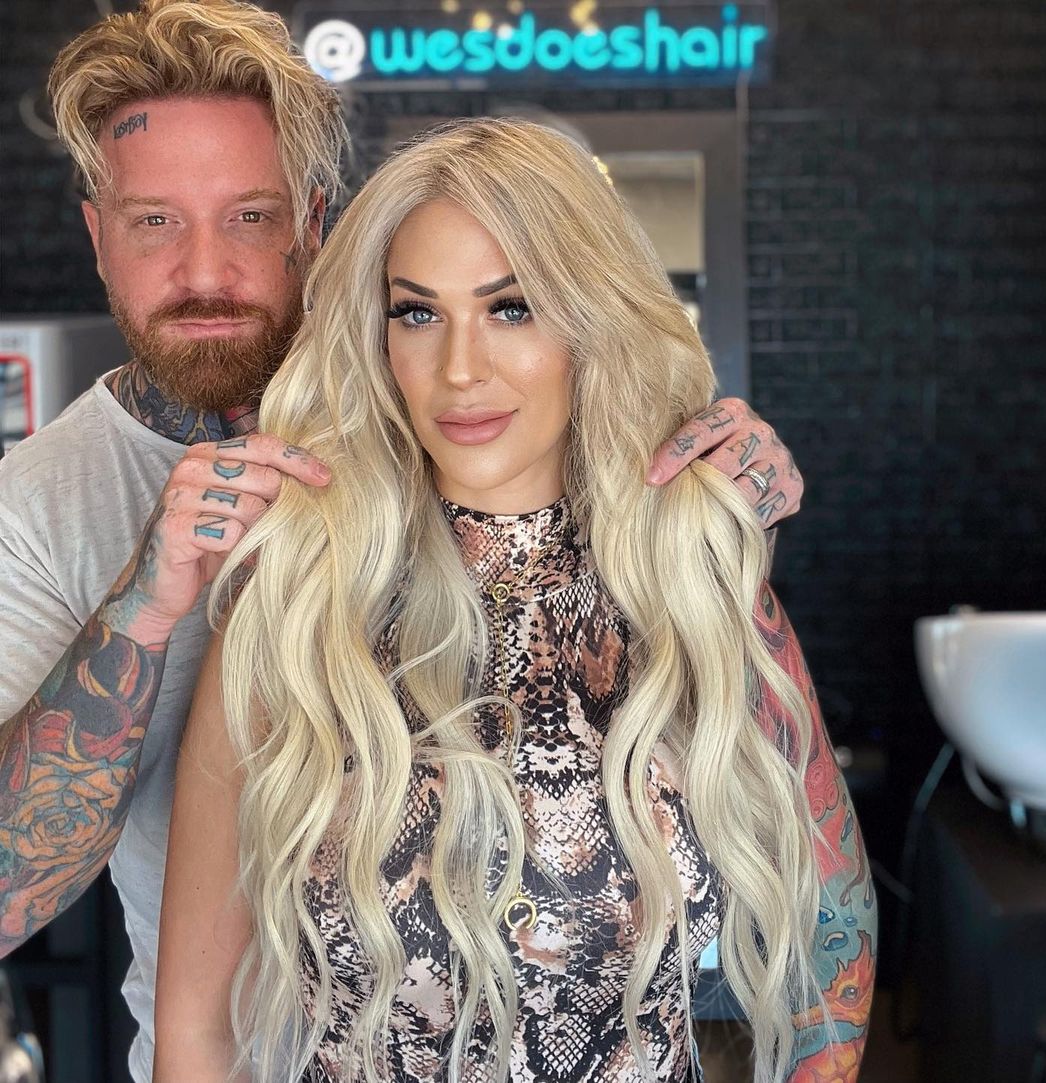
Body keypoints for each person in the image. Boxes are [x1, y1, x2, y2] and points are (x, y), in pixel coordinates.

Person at [0, 2, 804, 1080]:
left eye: (248, 216)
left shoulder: (465, 425)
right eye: (154, 221)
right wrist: (143, 611)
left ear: (313, 221)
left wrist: (714, 480)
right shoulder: (41, 507)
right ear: (97, 232)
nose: (205, 270)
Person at [154, 118, 876, 1083]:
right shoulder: (295, 606)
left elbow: (835, 932)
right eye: (418, 314)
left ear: (589, 321)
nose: (461, 368)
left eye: (512, 307)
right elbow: (197, 1030)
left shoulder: (692, 586)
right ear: (377, 339)